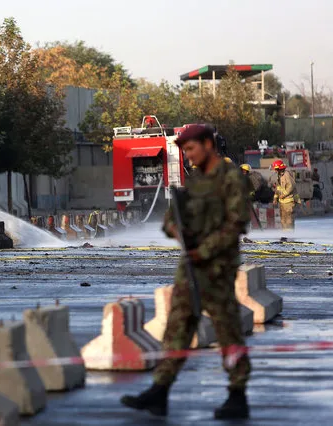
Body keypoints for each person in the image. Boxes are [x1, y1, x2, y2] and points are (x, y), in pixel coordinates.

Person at [120, 124, 252, 419]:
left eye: (191, 148)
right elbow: (171, 217)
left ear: (208, 144)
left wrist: (202, 250)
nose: (188, 156)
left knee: (228, 331)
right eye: (184, 150)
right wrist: (175, 228)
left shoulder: (230, 178)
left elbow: (235, 225)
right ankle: (160, 391)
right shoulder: (195, 181)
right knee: (177, 330)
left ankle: (237, 393)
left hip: (217, 269)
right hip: (190, 267)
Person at [272, 160, 297, 230]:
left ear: (280, 168)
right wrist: (275, 198)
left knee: (289, 220)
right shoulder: (279, 176)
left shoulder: (287, 175)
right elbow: (278, 188)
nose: (275, 170)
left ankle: (290, 235)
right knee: (283, 220)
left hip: (289, 202)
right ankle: (285, 235)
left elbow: (291, 186)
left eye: (276, 169)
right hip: (282, 202)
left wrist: (283, 195)